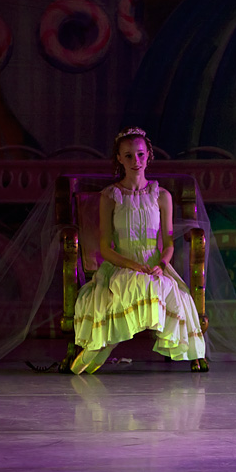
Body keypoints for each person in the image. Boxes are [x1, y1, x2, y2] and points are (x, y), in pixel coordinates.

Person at [70, 127, 209, 374]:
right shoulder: (110, 196)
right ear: (119, 159)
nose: (136, 161)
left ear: (148, 156)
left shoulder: (161, 195)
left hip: (154, 264)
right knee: (132, 287)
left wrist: (161, 265)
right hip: (122, 265)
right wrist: (133, 266)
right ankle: (97, 350)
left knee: (162, 288)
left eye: (141, 154)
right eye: (129, 156)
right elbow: (105, 247)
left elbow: (168, 243)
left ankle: (187, 353)